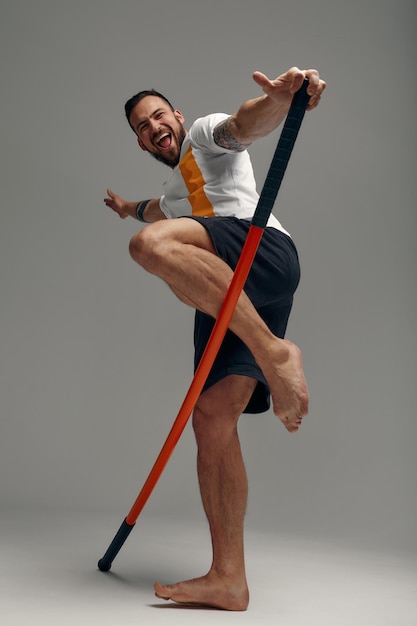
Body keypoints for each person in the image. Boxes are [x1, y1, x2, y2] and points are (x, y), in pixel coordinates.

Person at [104, 66, 326, 611]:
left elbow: (243, 126)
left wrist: (281, 100)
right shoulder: (173, 197)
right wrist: (125, 208)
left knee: (149, 248)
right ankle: (229, 578)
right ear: (139, 141)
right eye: (142, 126)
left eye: (159, 115)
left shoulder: (205, 136)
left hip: (262, 254)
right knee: (211, 417)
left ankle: (273, 354)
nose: (154, 127)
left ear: (176, 117)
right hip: (236, 297)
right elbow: (151, 209)